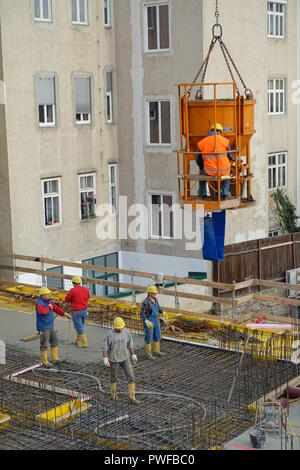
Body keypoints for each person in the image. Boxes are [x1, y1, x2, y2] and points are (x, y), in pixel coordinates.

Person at [102, 317, 139, 405]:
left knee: (131, 376)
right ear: (114, 327)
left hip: (125, 358)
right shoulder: (110, 335)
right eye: (117, 328)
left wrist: (133, 354)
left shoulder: (126, 332)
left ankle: (132, 397)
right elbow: (104, 348)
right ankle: (114, 395)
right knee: (113, 377)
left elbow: (130, 344)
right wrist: (105, 358)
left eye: (120, 328)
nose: (119, 330)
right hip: (114, 360)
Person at [196, 123, 232, 200]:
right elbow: (231, 155)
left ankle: (202, 194)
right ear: (220, 132)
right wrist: (236, 159)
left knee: (201, 177)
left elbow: (198, 160)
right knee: (227, 175)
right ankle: (225, 193)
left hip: (209, 171)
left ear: (210, 131)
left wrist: (201, 168)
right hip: (223, 170)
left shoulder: (202, 142)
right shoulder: (225, 141)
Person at [36, 287, 70, 367]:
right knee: (44, 343)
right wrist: (49, 307)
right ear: (42, 295)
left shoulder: (49, 301)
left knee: (54, 340)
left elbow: (56, 309)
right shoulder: (39, 303)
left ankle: (54, 358)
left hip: (50, 325)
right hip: (43, 327)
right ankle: (44, 361)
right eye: (47, 294)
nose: (48, 295)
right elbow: (42, 312)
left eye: (48, 294)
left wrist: (64, 314)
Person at [140, 285, 167, 360]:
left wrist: (162, 311)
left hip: (156, 320)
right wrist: (146, 321)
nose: (155, 294)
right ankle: (148, 354)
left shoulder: (155, 299)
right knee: (149, 337)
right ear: (149, 293)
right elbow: (142, 314)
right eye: (154, 293)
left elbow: (158, 308)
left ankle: (157, 351)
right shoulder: (145, 302)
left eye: (155, 293)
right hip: (149, 322)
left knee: (157, 335)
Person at [65, 276, 90, 348]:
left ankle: (84, 343)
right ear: (79, 282)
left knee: (79, 327)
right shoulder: (86, 289)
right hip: (84, 310)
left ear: (73, 283)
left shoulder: (72, 290)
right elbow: (87, 297)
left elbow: (67, 299)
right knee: (80, 326)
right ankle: (77, 340)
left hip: (76, 311)